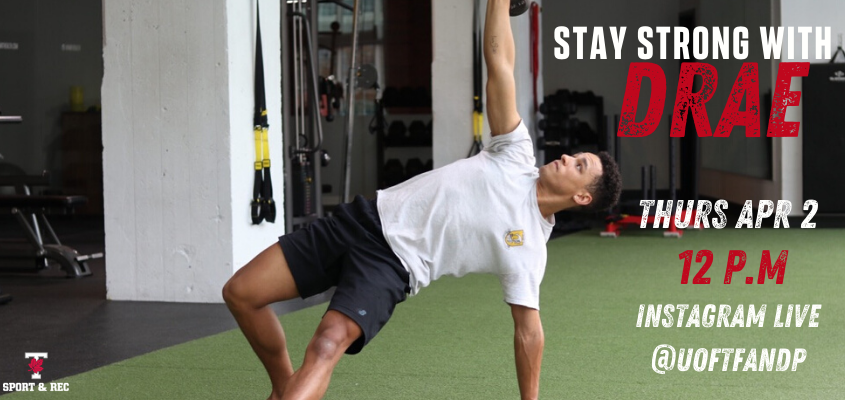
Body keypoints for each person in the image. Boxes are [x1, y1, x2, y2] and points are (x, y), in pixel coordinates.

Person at [223, 1, 622, 399]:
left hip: (393, 264)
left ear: (582, 196)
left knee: (327, 345)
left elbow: (529, 332)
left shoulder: (530, 248)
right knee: (241, 293)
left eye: (579, 164)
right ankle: (283, 388)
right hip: (363, 217)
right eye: (575, 155)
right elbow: (501, 67)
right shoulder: (516, 154)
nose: (567, 157)